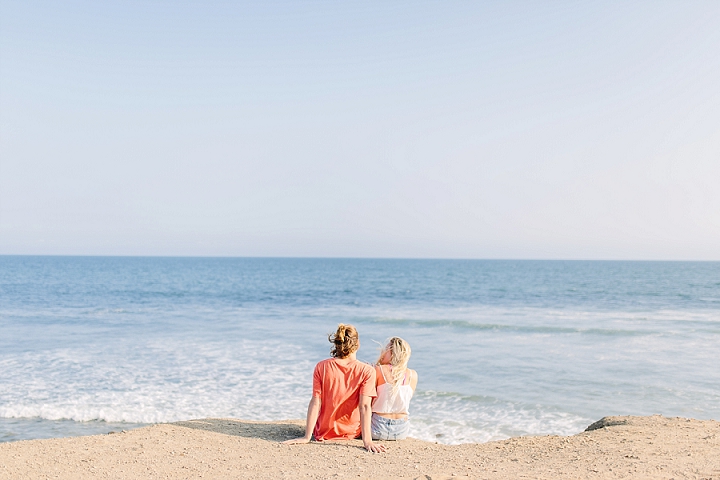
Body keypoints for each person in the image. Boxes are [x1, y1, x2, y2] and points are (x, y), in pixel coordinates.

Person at [283, 324, 385, 453]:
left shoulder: (321, 366)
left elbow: (315, 402)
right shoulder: (367, 371)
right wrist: (368, 441)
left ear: (337, 343)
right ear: (358, 344)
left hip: (323, 432)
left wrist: (307, 437)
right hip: (352, 432)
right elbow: (364, 406)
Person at [371, 337, 418, 441]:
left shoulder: (378, 370)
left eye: (386, 349)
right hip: (402, 430)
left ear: (392, 352)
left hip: (377, 428)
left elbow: (368, 401)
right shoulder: (413, 375)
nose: (382, 351)